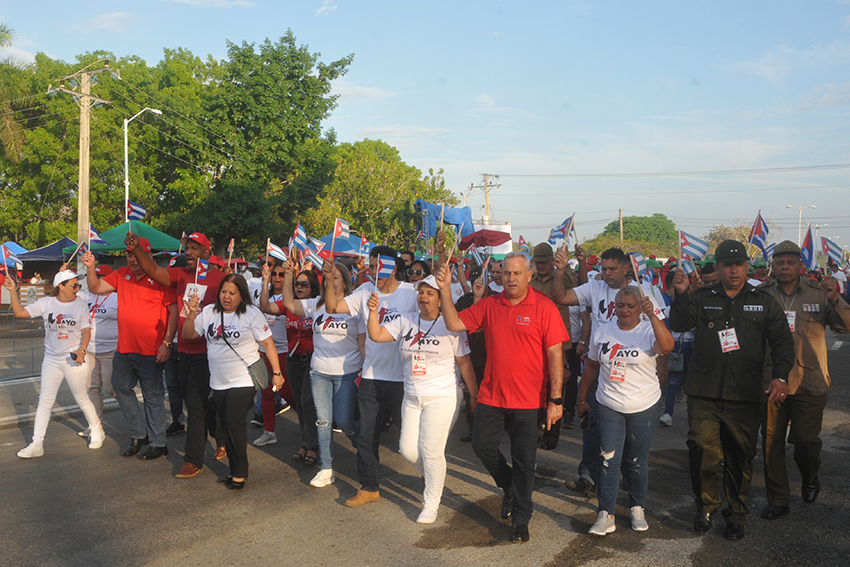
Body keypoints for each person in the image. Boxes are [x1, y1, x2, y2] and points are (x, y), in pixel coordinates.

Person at [437, 252, 568, 543]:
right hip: (491, 396)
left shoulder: (545, 308)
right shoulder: (489, 304)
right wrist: (445, 291)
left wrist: (555, 400)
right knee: (483, 446)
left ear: (528, 275)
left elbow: (555, 355)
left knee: (524, 461)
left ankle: (522, 518)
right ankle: (508, 485)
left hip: (529, 401)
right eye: (505, 273)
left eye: (516, 273)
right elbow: (454, 324)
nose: (510, 279)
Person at [670, 239, 795, 541]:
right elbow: (678, 322)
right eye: (728, 265)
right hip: (705, 391)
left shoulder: (763, 301)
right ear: (719, 267)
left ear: (746, 266)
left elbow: (782, 342)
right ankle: (706, 506)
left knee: (740, 455)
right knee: (701, 448)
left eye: (739, 264)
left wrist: (779, 377)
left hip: (745, 393)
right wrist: (681, 293)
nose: (734, 270)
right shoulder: (701, 297)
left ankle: (736, 513)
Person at [551, 246, 665, 499]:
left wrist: (661, 376)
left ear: (626, 268)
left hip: (636, 375)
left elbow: (661, 336)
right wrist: (560, 272)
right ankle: (588, 476)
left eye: (612, 268)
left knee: (630, 437)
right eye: (603, 268)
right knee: (593, 426)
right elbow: (560, 297)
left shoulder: (644, 292)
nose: (606, 273)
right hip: (599, 367)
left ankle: (626, 477)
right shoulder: (594, 287)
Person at [366, 275, 479, 524]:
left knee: (431, 452)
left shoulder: (451, 325)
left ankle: (431, 503)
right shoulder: (405, 319)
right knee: (407, 450)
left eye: (430, 293)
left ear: (440, 299)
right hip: (412, 396)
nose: (423, 297)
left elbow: (465, 363)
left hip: (442, 396)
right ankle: (433, 475)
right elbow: (376, 335)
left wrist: (473, 395)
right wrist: (373, 312)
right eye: (421, 292)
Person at [758, 241, 850, 519]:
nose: (784, 267)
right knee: (771, 442)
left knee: (805, 441)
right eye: (779, 262)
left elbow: (844, 327)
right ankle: (779, 500)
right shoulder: (761, 295)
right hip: (772, 381)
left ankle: (810, 476)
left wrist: (836, 299)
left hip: (809, 381)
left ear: (800, 266)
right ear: (773, 266)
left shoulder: (818, 293)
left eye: (790, 262)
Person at [125, 230, 227, 478]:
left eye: (194, 248)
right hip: (184, 349)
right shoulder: (181, 274)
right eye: (187, 248)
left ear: (206, 251)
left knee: (194, 405)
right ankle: (222, 436)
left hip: (209, 351)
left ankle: (194, 459)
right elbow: (153, 271)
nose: (189, 252)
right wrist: (138, 249)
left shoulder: (220, 279)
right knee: (199, 401)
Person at [325, 246, 418, 507]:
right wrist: (329, 279)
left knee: (411, 436)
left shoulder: (411, 294)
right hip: (372, 376)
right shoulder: (366, 290)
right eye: (372, 265)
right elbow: (332, 307)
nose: (374, 270)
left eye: (379, 265)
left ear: (393, 266)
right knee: (366, 436)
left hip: (404, 379)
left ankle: (429, 478)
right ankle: (369, 486)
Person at [579, 287, 674, 535]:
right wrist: (581, 398)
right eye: (620, 305)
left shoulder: (647, 329)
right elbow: (591, 366)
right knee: (609, 459)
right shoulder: (603, 331)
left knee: (636, 460)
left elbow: (667, 345)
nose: (624, 310)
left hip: (644, 405)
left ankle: (637, 508)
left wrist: (652, 316)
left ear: (639, 307)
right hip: (609, 403)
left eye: (631, 306)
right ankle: (605, 513)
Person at [183, 274, 283, 489]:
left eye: (232, 293)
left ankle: (238, 473)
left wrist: (277, 372)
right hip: (218, 382)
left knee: (233, 422)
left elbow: (267, 343)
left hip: (244, 378)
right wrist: (191, 314)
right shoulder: (209, 312)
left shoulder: (251, 314)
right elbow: (188, 335)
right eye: (223, 292)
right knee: (225, 423)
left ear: (241, 296)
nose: (226, 297)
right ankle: (235, 467)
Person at [272, 259, 363, 488]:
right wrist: (290, 274)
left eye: (335, 277)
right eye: (327, 277)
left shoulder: (355, 306)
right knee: (322, 421)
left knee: (344, 421)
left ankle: (365, 450)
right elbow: (288, 303)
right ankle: (326, 468)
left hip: (347, 372)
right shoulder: (315, 304)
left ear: (345, 282)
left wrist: (365, 367)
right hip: (319, 372)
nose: (330, 281)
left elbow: (362, 341)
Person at [83, 243, 178, 460]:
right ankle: (139, 435)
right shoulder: (121, 274)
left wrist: (167, 342)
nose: (132, 260)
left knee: (153, 396)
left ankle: (158, 442)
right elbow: (95, 288)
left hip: (151, 350)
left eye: (136, 255)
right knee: (120, 387)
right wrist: (90, 268)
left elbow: (173, 311)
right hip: (124, 349)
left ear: (147, 255)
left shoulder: (161, 277)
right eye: (129, 255)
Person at [7, 270, 106, 457]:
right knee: (45, 400)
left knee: (81, 398)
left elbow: (86, 330)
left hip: (73, 359)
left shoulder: (81, 305)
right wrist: (13, 290)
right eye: (74, 285)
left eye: (78, 285)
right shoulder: (46, 303)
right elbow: (20, 313)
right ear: (60, 286)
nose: (78, 289)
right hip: (51, 359)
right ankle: (37, 443)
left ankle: (97, 430)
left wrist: (82, 350)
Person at [257, 263, 318, 461]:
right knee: (300, 404)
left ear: (313, 288)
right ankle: (305, 442)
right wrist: (266, 280)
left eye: (304, 285)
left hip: (312, 360)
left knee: (308, 403)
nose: (299, 287)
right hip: (293, 360)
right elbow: (265, 307)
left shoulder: (318, 305)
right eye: (297, 284)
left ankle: (314, 446)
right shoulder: (289, 305)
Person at [530, 242, 586, 448]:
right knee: (536, 387)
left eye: (545, 262)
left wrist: (580, 262)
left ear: (552, 261)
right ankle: (535, 429)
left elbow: (582, 286)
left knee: (557, 388)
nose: (541, 266)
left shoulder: (563, 277)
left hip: (561, 341)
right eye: (538, 263)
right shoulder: (530, 280)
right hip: (535, 341)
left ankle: (552, 435)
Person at [77, 264, 118, 435]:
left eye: (99, 276)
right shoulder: (85, 295)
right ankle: (95, 426)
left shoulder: (117, 297)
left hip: (111, 351)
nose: (94, 279)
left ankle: (137, 418)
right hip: (90, 350)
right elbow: (62, 294)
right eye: (92, 275)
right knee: (92, 387)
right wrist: (63, 272)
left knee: (112, 388)